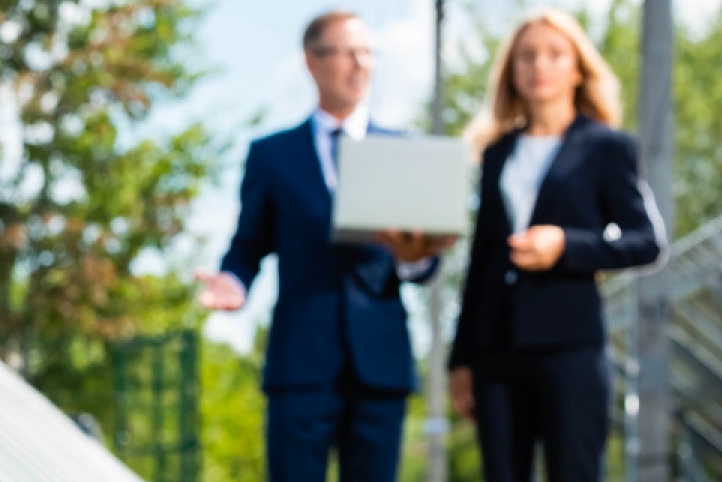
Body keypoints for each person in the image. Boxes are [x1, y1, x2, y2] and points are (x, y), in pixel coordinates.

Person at [195, 10, 452, 481]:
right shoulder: (272, 155)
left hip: (380, 365)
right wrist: (233, 281)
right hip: (301, 365)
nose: (360, 65)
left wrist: (414, 259)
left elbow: (422, 261)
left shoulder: (402, 151)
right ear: (312, 62)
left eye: (367, 53)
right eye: (346, 53)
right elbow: (248, 243)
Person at [446, 8, 665, 481]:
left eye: (553, 54)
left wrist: (566, 245)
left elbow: (646, 242)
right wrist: (460, 360)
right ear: (511, 71)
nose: (538, 65)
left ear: (578, 68)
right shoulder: (495, 153)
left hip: (571, 347)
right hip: (495, 350)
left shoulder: (608, 147)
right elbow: (480, 261)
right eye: (526, 56)